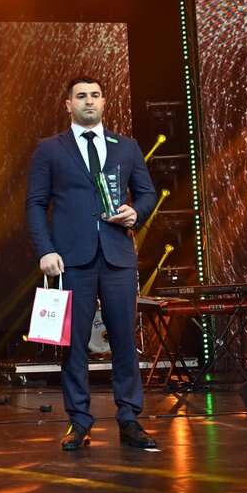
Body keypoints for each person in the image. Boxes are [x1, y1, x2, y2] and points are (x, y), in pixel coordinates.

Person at [25, 76, 158, 451]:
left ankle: (129, 418)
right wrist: (45, 250)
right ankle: (79, 420)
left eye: (95, 95)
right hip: (71, 259)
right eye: (81, 96)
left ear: (104, 102)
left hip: (117, 256)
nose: (89, 101)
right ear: (68, 105)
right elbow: (35, 204)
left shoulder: (126, 147)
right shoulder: (50, 149)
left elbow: (147, 193)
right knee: (75, 344)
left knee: (124, 340)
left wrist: (136, 212)